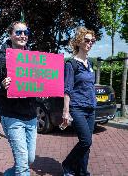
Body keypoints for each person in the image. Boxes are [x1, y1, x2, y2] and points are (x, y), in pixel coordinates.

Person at [0, 21, 37, 176]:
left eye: (26, 32)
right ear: (10, 34)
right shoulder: (1, 58)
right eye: (18, 32)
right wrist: (2, 86)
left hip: (31, 116)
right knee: (23, 164)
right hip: (12, 116)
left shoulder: (34, 58)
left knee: (30, 159)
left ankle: (9, 173)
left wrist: (44, 90)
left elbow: (38, 83)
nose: (22, 35)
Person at [61, 27, 96, 176]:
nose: (90, 43)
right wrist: (66, 111)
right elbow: (67, 89)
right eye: (87, 40)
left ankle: (82, 172)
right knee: (85, 141)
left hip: (91, 108)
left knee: (87, 145)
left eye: (92, 41)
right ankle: (67, 165)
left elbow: (89, 86)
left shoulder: (90, 64)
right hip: (77, 108)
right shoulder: (71, 64)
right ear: (79, 42)